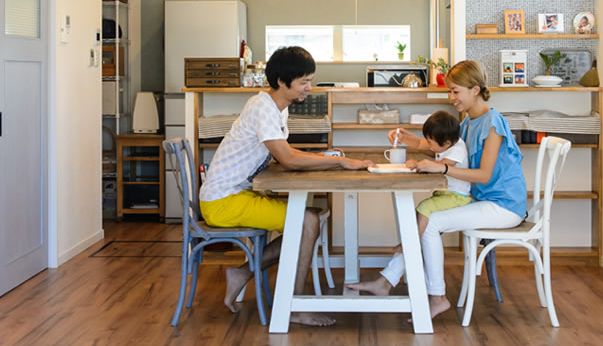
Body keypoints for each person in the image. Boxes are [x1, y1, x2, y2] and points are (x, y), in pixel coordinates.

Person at [199, 46, 374, 327]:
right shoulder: (262, 108)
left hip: (235, 195)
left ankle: (244, 273)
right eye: (304, 81)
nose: (309, 87)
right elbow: (289, 159)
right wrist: (339, 163)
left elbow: (285, 152)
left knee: (307, 219)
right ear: (282, 82)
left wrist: (323, 159)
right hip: (223, 202)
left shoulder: (276, 108)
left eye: (310, 80)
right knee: (307, 222)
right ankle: (294, 306)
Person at [346, 60, 527, 320]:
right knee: (425, 221)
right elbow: (443, 149)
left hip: (504, 206)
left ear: (475, 90)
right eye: (449, 91)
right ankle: (386, 282)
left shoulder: (492, 124)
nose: (451, 97)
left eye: (456, 91)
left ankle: (436, 297)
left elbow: (484, 175)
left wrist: (441, 169)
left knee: (428, 223)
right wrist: (410, 140)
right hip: (482, 201)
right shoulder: (468, 123)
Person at [392, 111, 472, 254]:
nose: (428, 145)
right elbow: (418, 144)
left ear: (446, 143)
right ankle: (410, 240)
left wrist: (416, 164)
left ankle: (412, 243)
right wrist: (404, 138)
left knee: (424, 207)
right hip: (446, 194)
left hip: (457, 197)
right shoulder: (449, 142)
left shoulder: (457, 150)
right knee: (419, 211)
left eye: (430, 142)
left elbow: (438, 167)